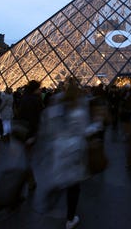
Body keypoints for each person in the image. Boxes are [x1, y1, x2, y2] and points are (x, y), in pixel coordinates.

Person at [36, 76, 91, 229]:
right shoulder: (79, 111)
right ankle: (70, 218)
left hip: (57, 147)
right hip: (74, 149)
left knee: (60, 178)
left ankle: (51, 197)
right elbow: (84, 130)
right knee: (74, 185)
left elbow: (46, 127)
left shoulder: (54, 109)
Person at [16, 80, 44, 191]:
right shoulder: (35, 100)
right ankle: (27, 182)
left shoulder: (24, 98)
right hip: (30, 132)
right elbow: (36, 118)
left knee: (25, 158)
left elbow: (20, 115)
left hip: (23, 131)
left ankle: (28, 181)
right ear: (35, 89)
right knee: (27, 159)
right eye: (39, 88)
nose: (40, 90)